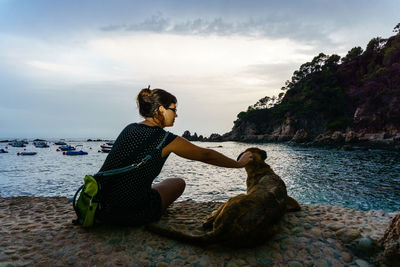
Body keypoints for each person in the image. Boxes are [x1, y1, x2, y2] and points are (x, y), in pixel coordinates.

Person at [96, 87, 253, 226]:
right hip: (129, 213)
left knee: (153, 184)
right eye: (174, 110)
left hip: (99, 206)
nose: (176, 115)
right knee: (177, 183)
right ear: (162, 110)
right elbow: (206, 155)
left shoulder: (129, 128)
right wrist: (239, 164)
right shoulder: (166, 139)